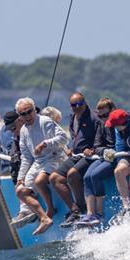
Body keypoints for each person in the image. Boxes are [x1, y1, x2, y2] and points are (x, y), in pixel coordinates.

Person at [14, 97, 69, 235]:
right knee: (20, 191)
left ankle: (50, 210)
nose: (27, 116)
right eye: (23, 114)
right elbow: (26, 157)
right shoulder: (23, 130)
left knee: (39, 181)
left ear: (34, 110)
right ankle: (42, 217)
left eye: (29, 111)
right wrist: (20, 178)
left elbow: (63, 138)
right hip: (39, 162)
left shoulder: (45, 121)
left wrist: (45, 143)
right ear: (19, 116)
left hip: (55, 157)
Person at [49, 92, 99, 227]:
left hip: (91, 156)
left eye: (79, 104)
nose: (77, 107)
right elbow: (76, 137)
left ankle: (83, 209)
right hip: (77, 155)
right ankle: (74, 210)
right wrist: (72, 148)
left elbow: (100, 137)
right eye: (73, 105)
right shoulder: (73, 118)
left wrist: (93, 149)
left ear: (85, 103)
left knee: (72, 175)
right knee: (54, 178)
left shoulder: (94, 118)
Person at [76, 98, 117, 226]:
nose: (104, 118)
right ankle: (90, 214)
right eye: (100, 116)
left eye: (106, 115)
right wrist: (104, 151)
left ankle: (99, 213)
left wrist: (109, 151)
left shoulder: (119, 122)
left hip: (116, 158)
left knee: (95, 175)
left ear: (112, 110)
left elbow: (118, 144)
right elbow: (97, 144)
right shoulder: (101, 123)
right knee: (87, 176)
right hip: (104, 156)